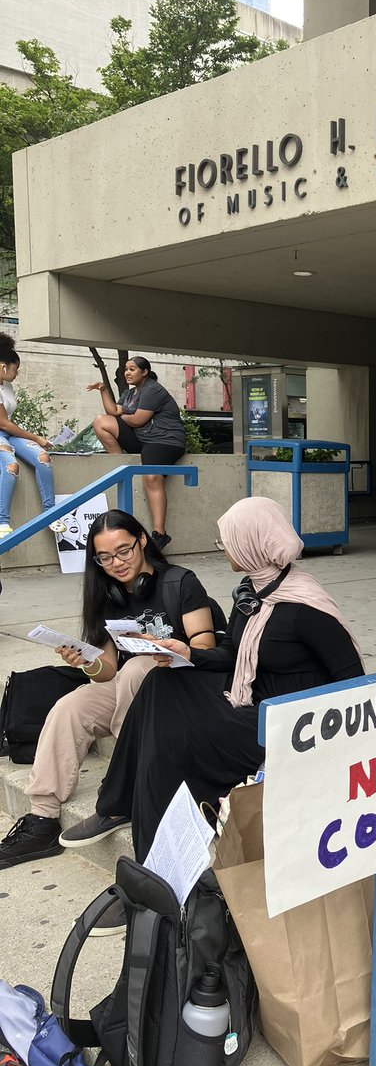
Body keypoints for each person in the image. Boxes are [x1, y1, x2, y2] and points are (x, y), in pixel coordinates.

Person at [83, 496, 364, 863]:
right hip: (248, 697)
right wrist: (186, 653)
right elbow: (231, 652)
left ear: (251, 543)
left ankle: (154, 862)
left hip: (282, 723)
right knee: (159, 683)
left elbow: (353, 681)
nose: (223, 549)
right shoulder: (255, 591)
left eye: (226, 541)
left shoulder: (302, 607)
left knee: (170, 741)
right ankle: (120, 804)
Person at [0, 510, 217, 874]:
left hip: (184, 682)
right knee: (71, 706)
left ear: (142, 541)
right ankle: (42, 818)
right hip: (130, 684)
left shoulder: (180, 582)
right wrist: (84, 661)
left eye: (124, 551)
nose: (115, 563)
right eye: (104, 557)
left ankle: (125, 783)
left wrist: (163, 646)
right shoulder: (106, 594)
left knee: (138, 667)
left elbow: (207, 647)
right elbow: (107, 672)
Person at [87, 356, 186, 549]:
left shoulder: (153, 390)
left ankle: (160, 534)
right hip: (143, 439)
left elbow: (138, 419)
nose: (127, 373)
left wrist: (122, 414)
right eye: (126, 369)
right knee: (101, 421)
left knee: (152, 478)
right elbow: (112, 410)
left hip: (165, 441)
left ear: (145, 372)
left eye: (132, 369)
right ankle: (120, 466)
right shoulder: (130, 393)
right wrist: (104, 390)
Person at [0, 333, 67, 539]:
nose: (17, 373)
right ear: (4, 367)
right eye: (15, 369)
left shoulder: (7, 387)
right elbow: (3, 423)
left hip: (8, 433)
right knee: (11, 466)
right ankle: (2, 521)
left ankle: (50, 513)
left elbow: (9, 421)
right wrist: (35, 437)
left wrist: (32, 439)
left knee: (43, 458)